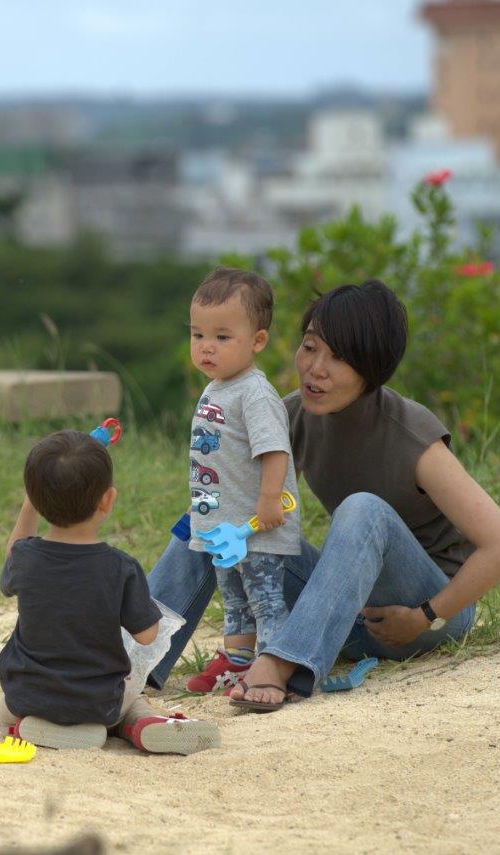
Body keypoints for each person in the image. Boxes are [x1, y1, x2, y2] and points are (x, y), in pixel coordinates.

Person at [150, 279, 500, 711]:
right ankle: (132, 653)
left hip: (427, 616)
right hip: (341, 612)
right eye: (310, 348)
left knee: (363, 508)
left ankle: (281, 663)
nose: (316, 369)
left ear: (373, 367)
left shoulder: (412, 436)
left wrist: (424, 615)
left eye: (340, 358)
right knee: (214, 509)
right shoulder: (286, 414)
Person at [0, 430, 220, 754]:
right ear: (107, 499)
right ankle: (139, 721)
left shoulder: (25, 559)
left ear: (34, 497)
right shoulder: (120, 568)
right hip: (99, 701)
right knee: (130, 695)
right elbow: (147, 636)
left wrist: (30, 504)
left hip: (30, 696)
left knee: (3, 710)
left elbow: (14, 548)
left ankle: (29, 725)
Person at [182, 267, 303, 709]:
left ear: (257, 341)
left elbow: (275, 450)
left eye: (222, 336)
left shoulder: (254, 393)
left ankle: (274, 662)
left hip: (258, 527)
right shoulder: (218, 389)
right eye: (198, 335)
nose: (206, 347)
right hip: (223, 527)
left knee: (263, 596)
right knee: (233, 597)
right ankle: (236, 658)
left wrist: (270, 499)